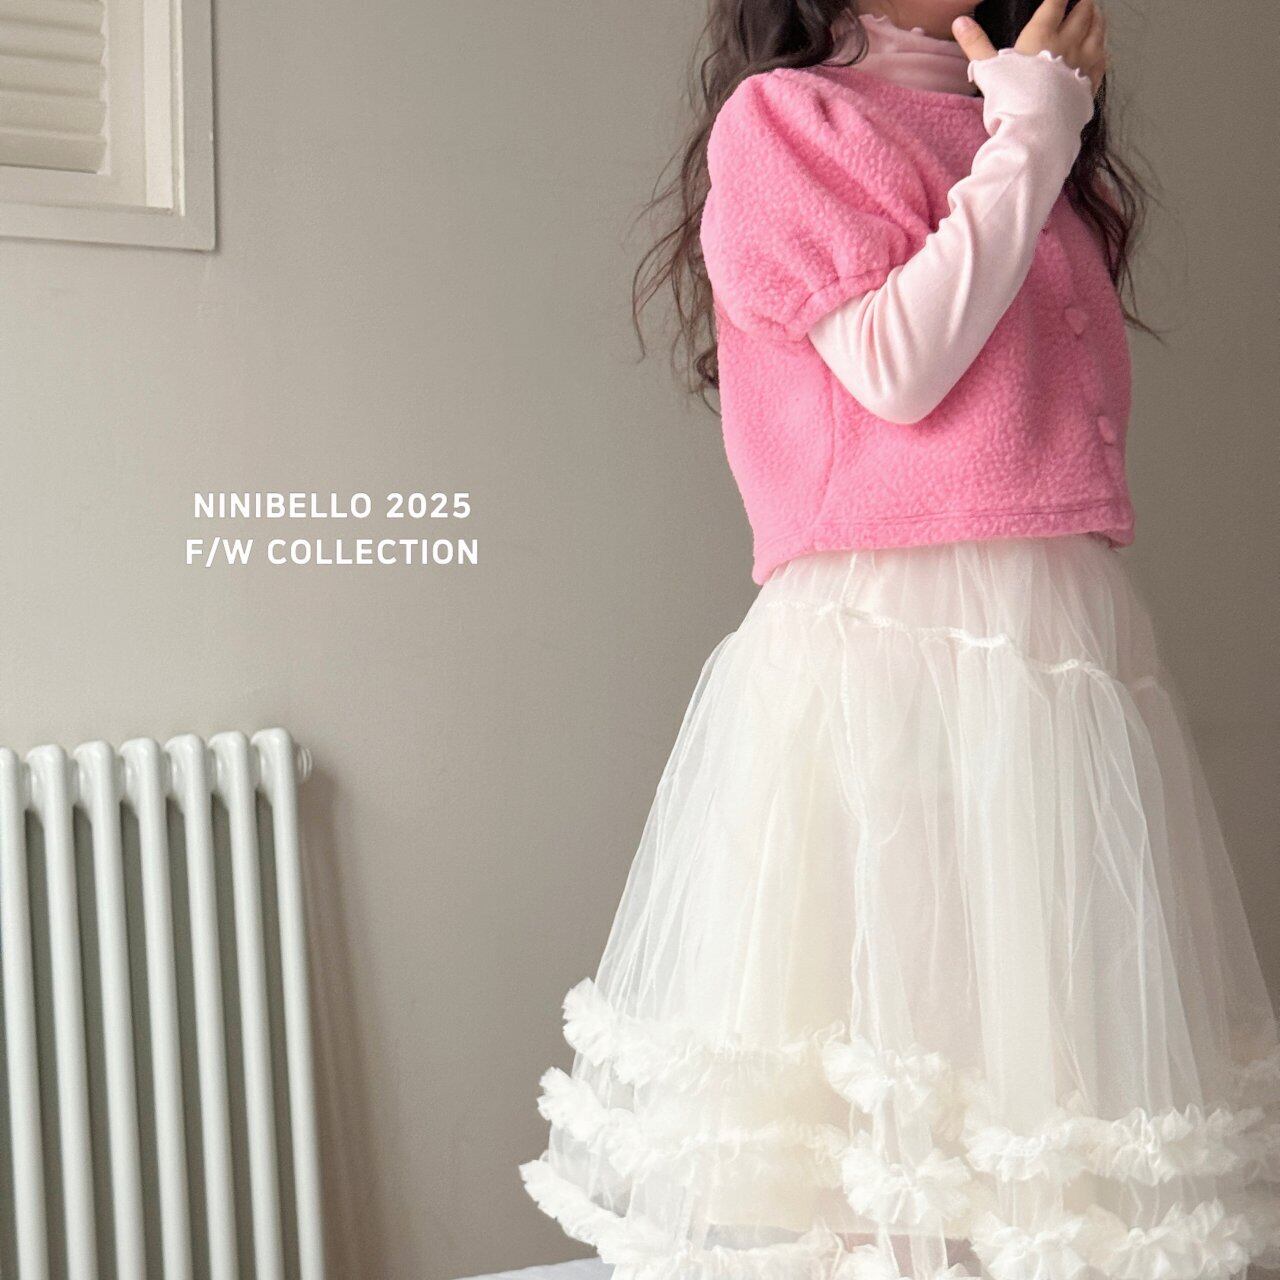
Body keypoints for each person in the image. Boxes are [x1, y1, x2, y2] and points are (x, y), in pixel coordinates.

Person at [521, 3, 1280, 1276]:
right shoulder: (792, 118)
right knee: (888, 1038)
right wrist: (1030, 136)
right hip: (896, 630)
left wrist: (1027, 127)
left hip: (1053, 625)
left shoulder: (1014, 120)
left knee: (1037, 1036)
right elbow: (895, 364)